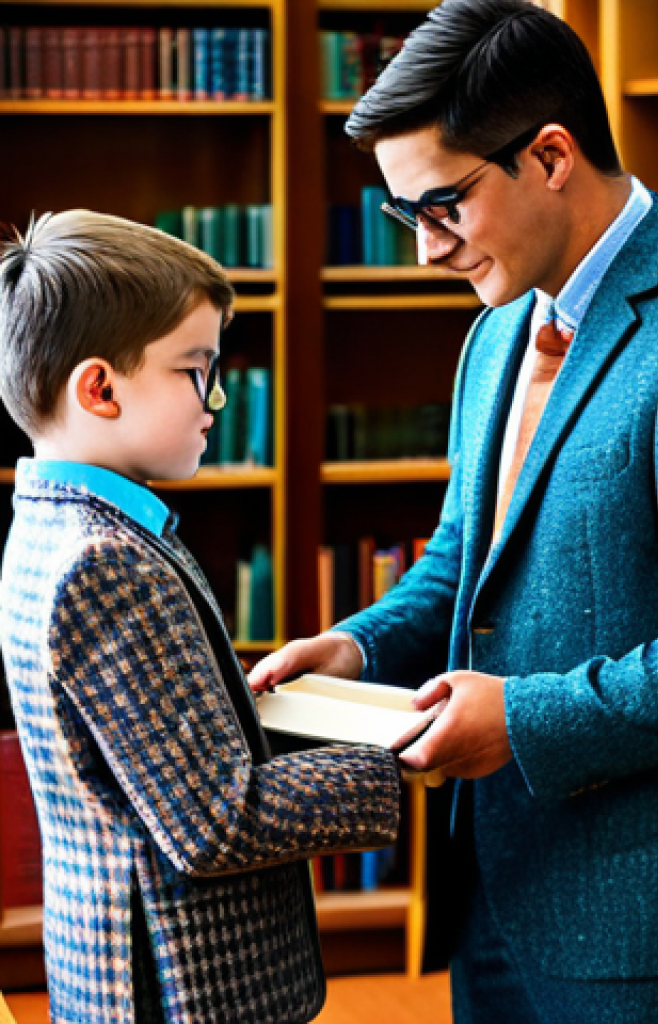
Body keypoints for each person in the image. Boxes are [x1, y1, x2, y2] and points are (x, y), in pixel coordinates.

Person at [249, 1, 658, 1020]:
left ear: (552, 156)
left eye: (444, 206)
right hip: (499, 884)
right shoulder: (500, 328)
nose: (426, 250)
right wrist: (358, 648)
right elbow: (464, 559)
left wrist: (523, 720)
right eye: (405, 215)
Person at [0, 211, 401, 1024]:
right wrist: (397, 764)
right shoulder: (106, 563)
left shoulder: (48, 521)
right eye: (195, 370)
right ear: (100, 389)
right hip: (177, 989)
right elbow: (215, 821)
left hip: (118, 970)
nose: (217, 399)